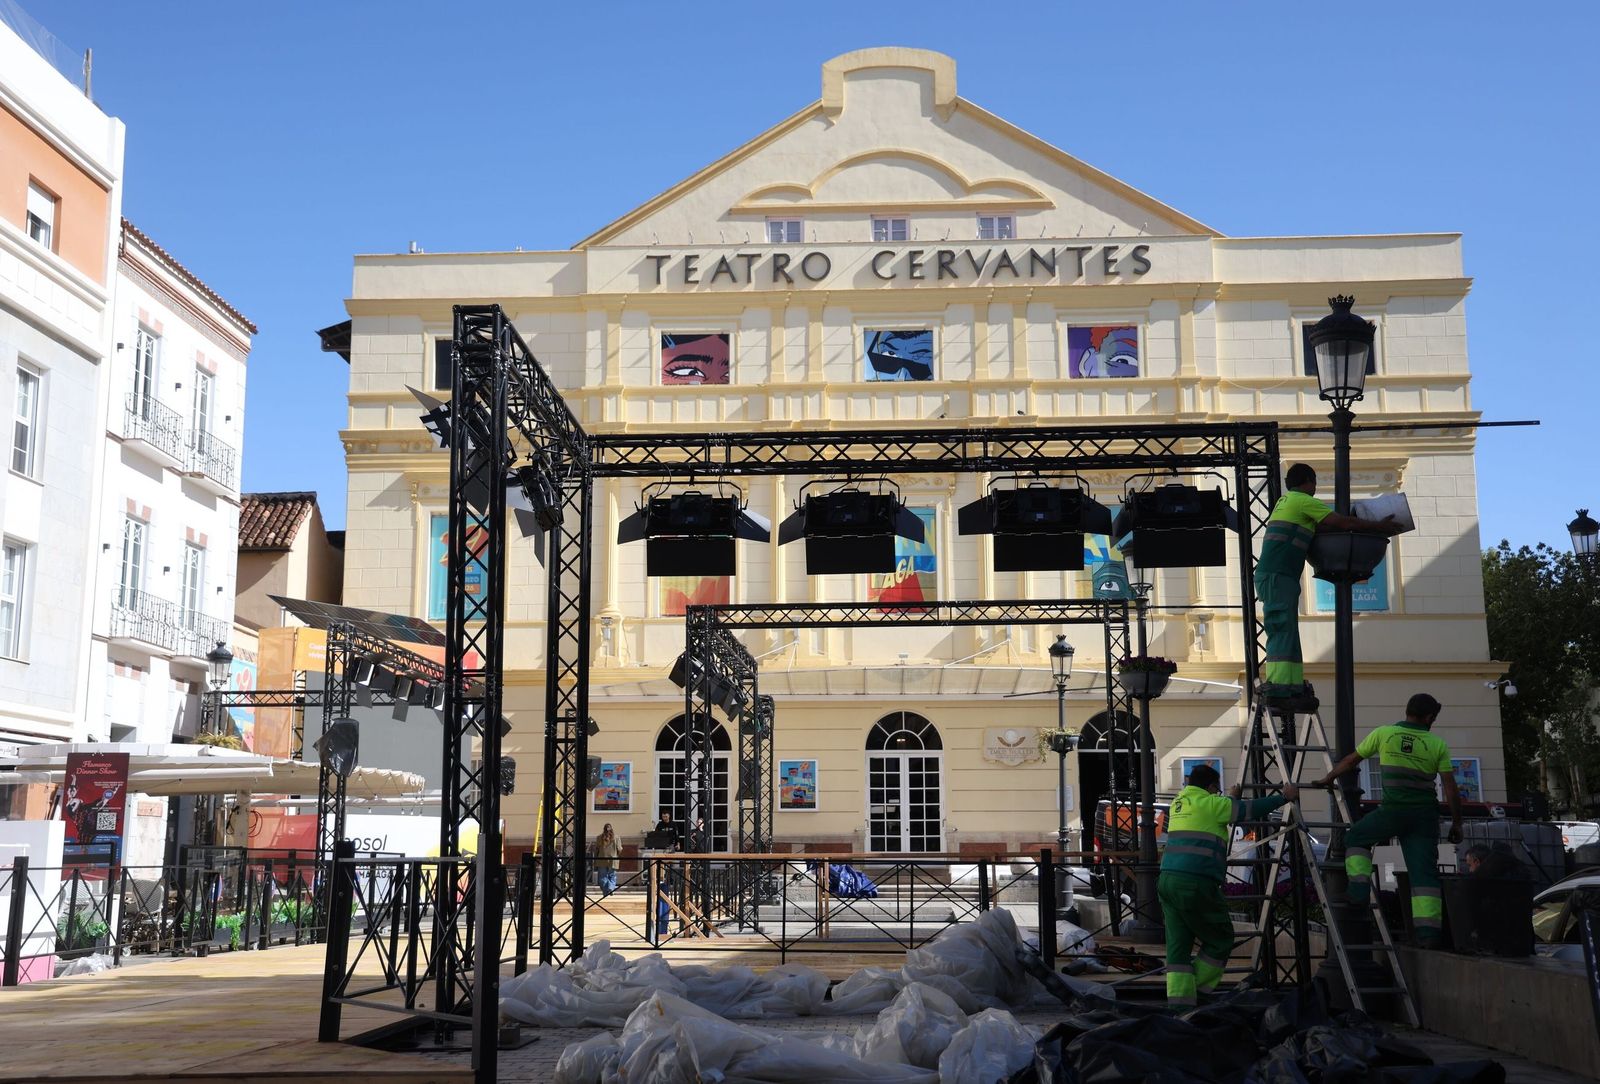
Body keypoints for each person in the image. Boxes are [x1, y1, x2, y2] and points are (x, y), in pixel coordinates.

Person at [1315, 693, 1464, 947]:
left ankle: (1358, 891)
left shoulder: (1384, 734)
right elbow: (1450, 788)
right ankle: (1428, 936)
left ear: (1407, 711)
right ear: (1429, 717)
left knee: (1357, 837)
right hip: (1424, 817)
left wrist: (1328, 778)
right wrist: (1457, 823)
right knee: (1424, 876)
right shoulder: (1437, 744)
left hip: (1393, 811)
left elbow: (1351, 760)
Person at [1256, 463, 1401, 704]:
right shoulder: (1302, 500)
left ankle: (1290, 682)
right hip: (1278, 576)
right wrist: (1379, 527)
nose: (1315, 488)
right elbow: (1341, 524)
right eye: (1315, 483)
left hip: (1278, 576)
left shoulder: (1288, 502)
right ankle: (1281, 684)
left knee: (1286, 629)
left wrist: (1356, 522)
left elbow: (1325, 525)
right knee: (1281, 627)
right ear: (1308, 482)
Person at [1158, 762, 1298, 1008]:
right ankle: (1199, 993)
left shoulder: (1179, 803)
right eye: (1217, 790)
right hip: (1196, 881)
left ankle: (1179, 1007)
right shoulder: (1213, 804)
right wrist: (1283, 798)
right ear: (1212, 787)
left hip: (1168, 880)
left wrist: (1229, 799)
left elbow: (1220, 809)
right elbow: (1248, 809)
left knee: (1178, 947)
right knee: (1220, 939)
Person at [593, 824, 621, 897]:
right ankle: (610, 888)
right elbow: (620, 849)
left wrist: (595, 858)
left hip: (602, 859)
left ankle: (606, 892)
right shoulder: (617, 838)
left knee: (602, 876)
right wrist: (616, 855)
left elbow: (596, 849)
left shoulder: (599, 838)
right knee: (612, 876)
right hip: (613, 860)